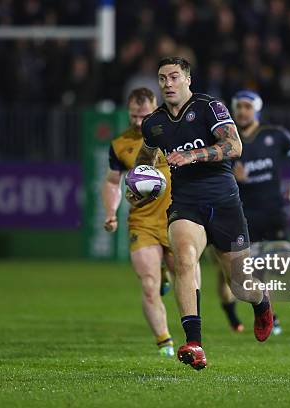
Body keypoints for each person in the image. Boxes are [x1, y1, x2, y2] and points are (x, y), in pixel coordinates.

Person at [129, 57, 274, 371]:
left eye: (173, 77)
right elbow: (145, 159)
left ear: (187, 79)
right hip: (186, 204)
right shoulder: (154, 123)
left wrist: (194, 155)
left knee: (239, 285)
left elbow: (234, 146)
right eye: (162, 78)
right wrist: (137, 183)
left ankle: (262, 303)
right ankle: (194, 342)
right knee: (184, 258)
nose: (167, 84)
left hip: (224, 202)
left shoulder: (210, 107)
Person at [215, 89, 290, 335]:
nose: (243, 111)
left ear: (256, 110)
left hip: (273, 210)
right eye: (239, 106)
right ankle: (270, 316)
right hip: (242, 214)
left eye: (248, 106)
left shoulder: (273, 135)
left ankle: (266, 311)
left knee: (281, 264)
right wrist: (233, 178)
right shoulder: (226, 140)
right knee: (255, 272)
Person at [101, 87, 178, 357]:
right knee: (148, 283)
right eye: (133, 116)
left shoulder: (174, 131)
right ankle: (164, 340)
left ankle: (193, 332)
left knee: (186, 280)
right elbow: (112, 182)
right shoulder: (120, 144)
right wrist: (111, 211)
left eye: (142, 115)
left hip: (178, 218)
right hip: (142, 222)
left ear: (155, 108)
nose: (137, 121)